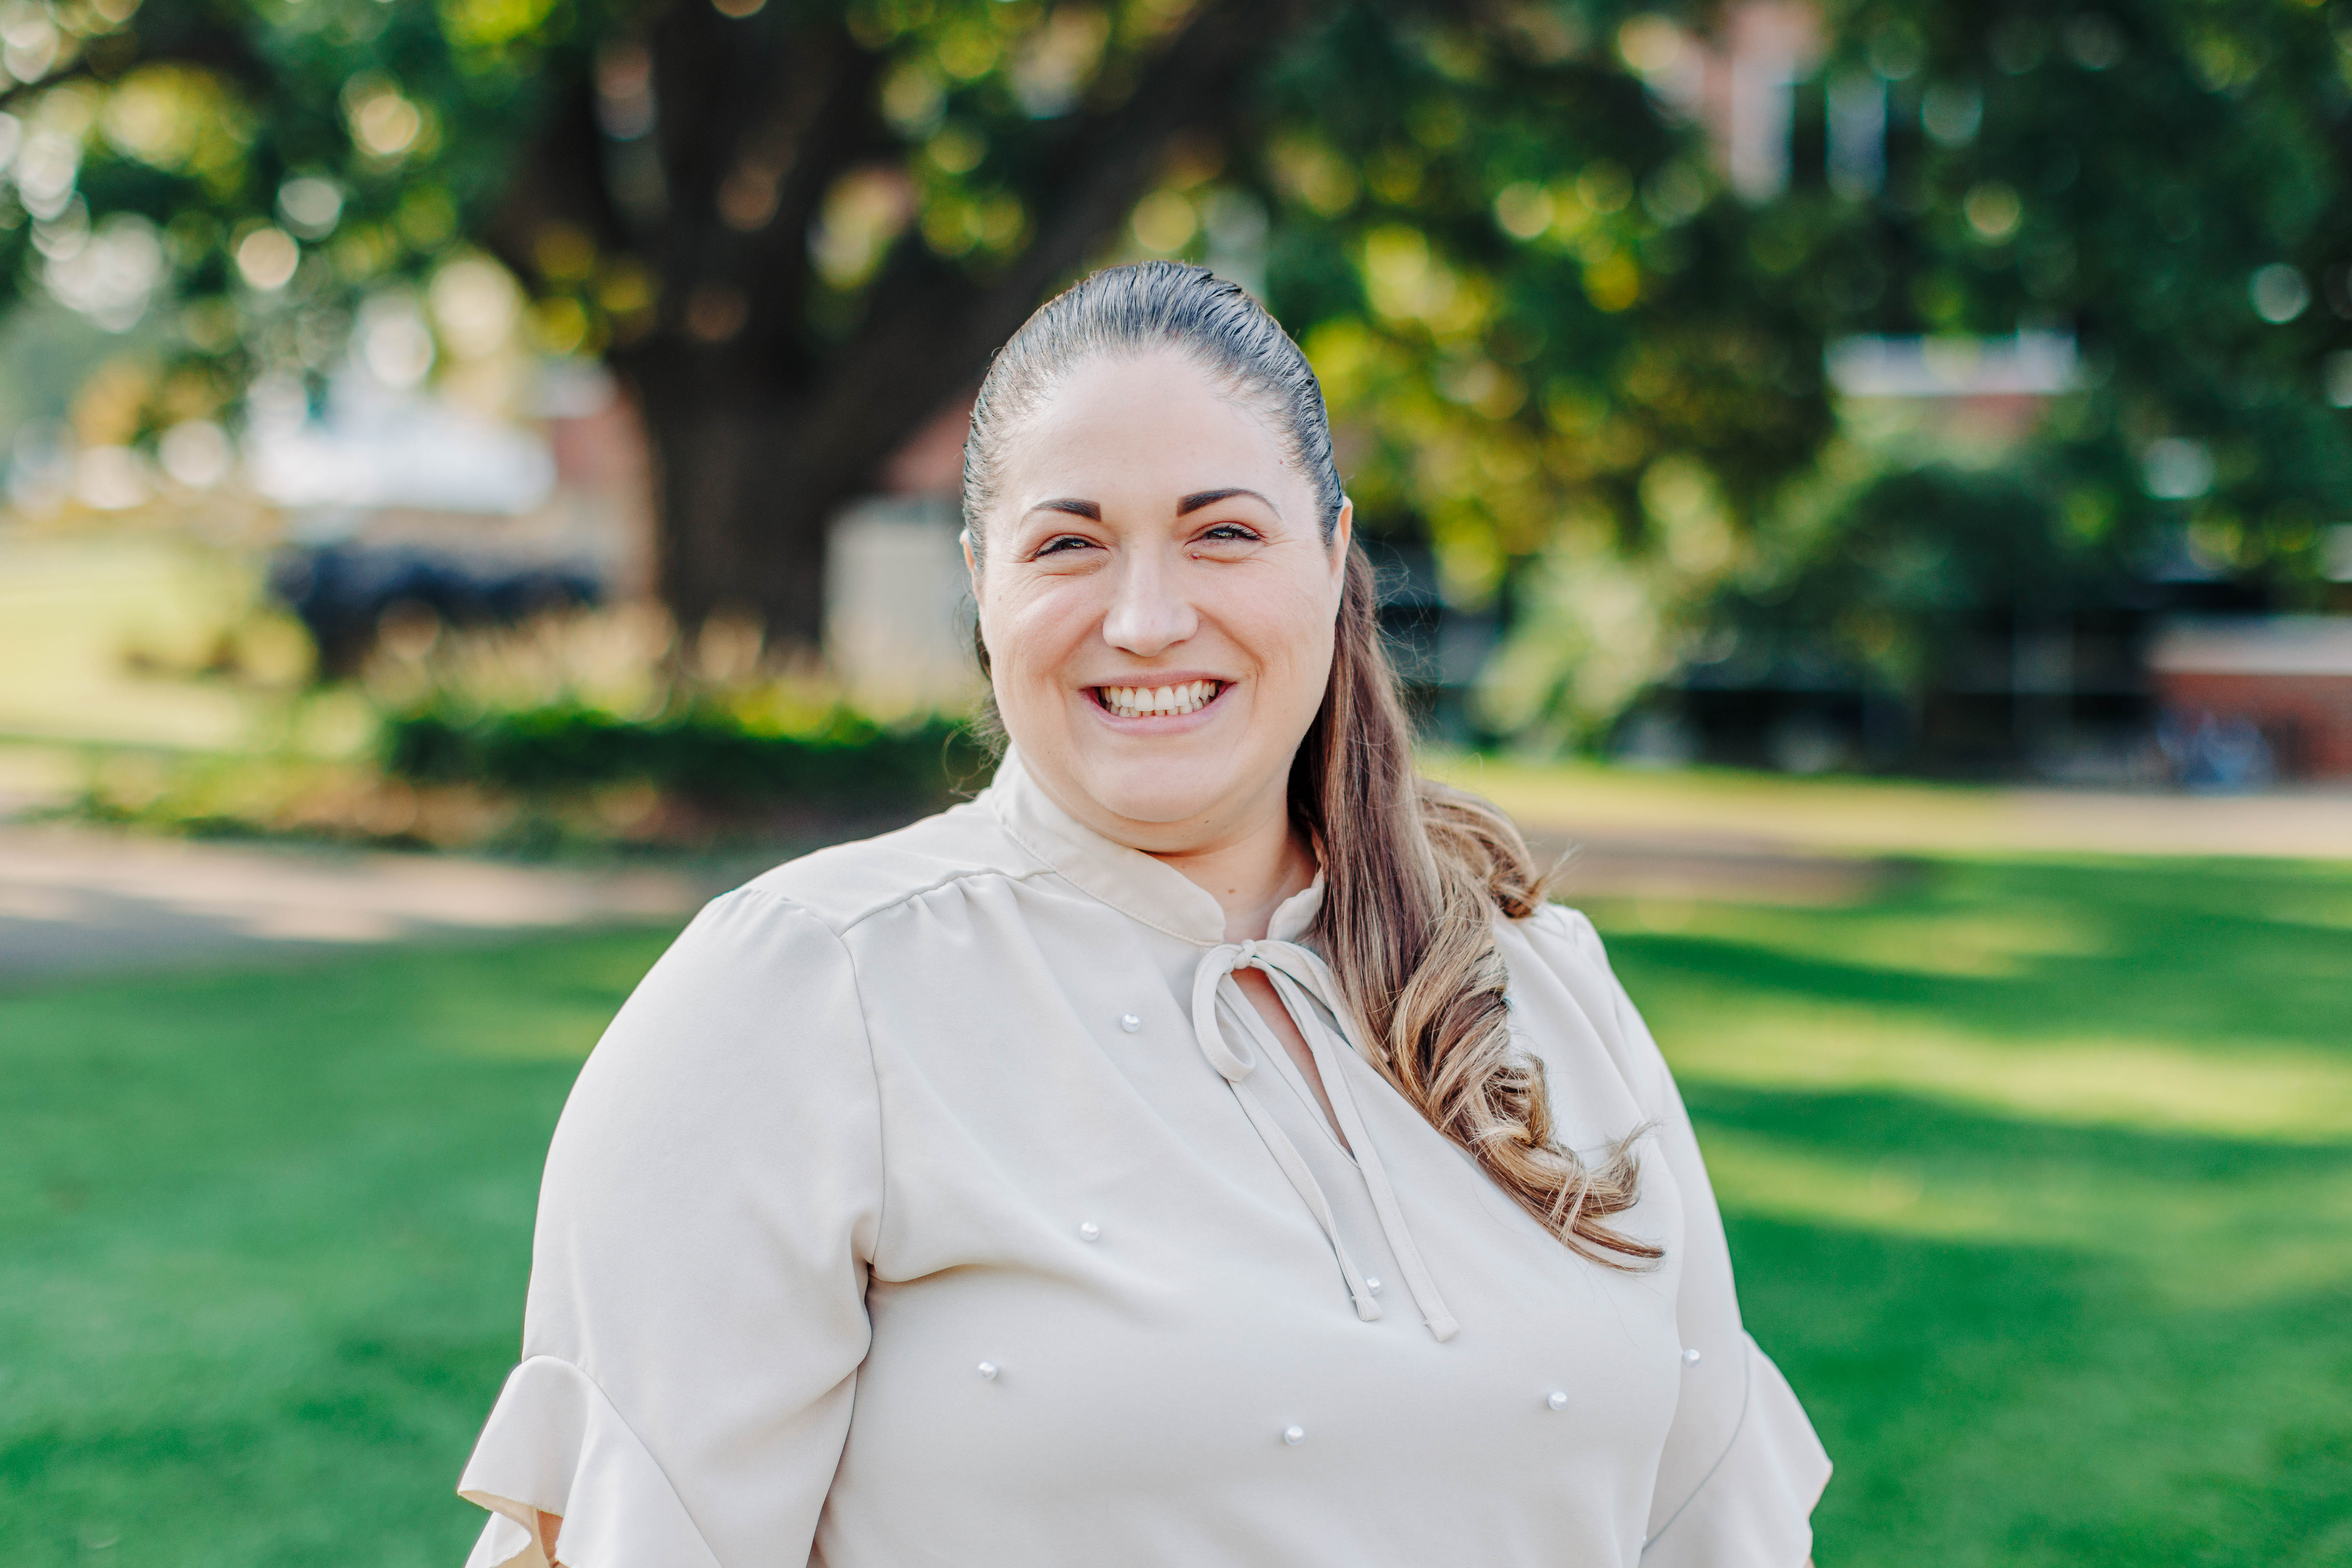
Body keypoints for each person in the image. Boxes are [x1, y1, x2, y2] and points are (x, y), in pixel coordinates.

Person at [455, 261, 1831, 1568]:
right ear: (983, 583)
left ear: (1334, 554)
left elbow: (1717, 1528)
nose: (1149, 617)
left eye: (1222, 531)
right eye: (1069, 544)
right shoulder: (801, 997)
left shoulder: (1540, 984)